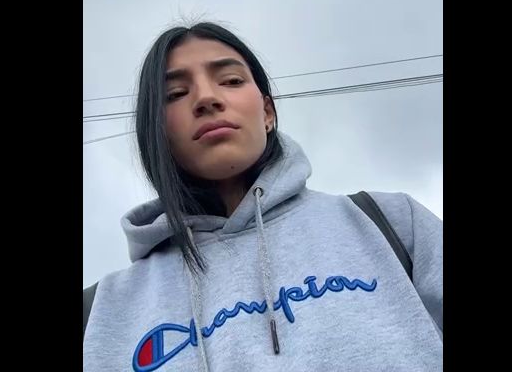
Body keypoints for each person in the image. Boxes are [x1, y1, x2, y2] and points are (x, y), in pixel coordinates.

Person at [83, 22, 443, 371]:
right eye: (175, 94)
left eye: (231, 81)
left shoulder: (391, 222)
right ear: (156, 132)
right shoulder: (99, 313)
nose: (206, 98)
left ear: (268, 113)